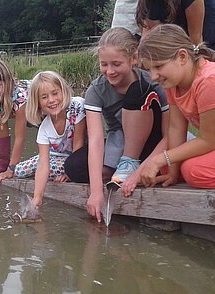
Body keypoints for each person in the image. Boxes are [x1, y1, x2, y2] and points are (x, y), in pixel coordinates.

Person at [64, 27, 169, 222]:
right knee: (72, 167)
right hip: (119, 140)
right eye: (104, 64)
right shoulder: (96, 90)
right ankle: (121, 167)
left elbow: (170, 133)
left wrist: (138, 174)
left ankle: (132, 165)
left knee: (136, 92)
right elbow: (95, 140)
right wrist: (96, 192)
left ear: (134, 59)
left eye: (116, 64)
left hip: (153, 140)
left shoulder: (152, 82)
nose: (109, 71)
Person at [138, 24, 215, 188]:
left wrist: (160, 158)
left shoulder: (208, 81)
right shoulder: (174, 83)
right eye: (149, 69)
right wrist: (172, 173)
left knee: (193, 170)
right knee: (167, 167)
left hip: (211, 140)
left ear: (182, 56)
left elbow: (209, 140)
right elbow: (175, 128)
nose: (153, 77)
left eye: (158, 66)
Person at [15, 71, 86, 208]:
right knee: (19, 171)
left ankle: (57, 172)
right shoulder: (44, 128)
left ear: (63, 92)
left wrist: (70, 173)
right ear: (38, 103)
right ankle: (48, 176)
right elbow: (43, 163)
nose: (51, 100)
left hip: (77, 158)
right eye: (44, 97)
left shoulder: (76, 107)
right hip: (55, 158)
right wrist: (37, 198)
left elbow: (79, 143)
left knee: (60, 166)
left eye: (55, 93)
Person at [135, 0, 215, 49]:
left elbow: (196, 40)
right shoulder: (150, 3)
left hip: (204, 29)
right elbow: (155, 35)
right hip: (173, 26)